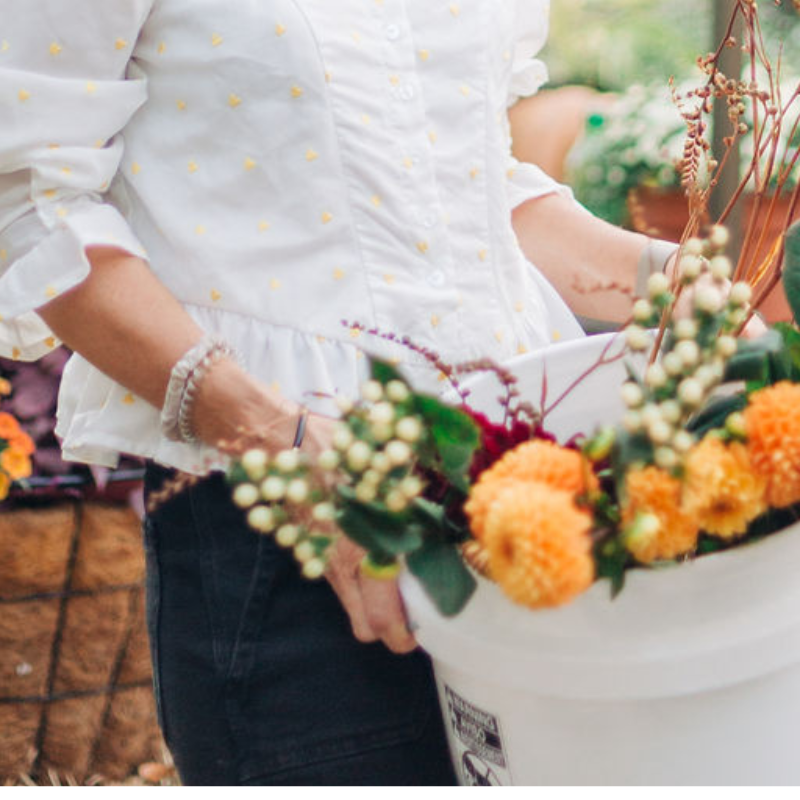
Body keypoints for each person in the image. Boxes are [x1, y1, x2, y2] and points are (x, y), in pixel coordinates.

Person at [1, 0, 686, 785]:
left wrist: (669, 283)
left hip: (526, 493)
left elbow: (457, 180)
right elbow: (30, 200)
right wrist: (281, 442)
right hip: (284, 532)